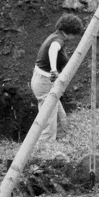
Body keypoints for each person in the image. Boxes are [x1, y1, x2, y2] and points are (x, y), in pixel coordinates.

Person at [31, 13, 83, 142]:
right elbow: (53, 49)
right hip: (44, 83)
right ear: (71, 32)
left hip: (43, 80)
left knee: (60, 116)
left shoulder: (55, 36)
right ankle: (44, 149)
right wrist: (54, 69)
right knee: (48, 119)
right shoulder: (58, 40)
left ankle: (62, 140)